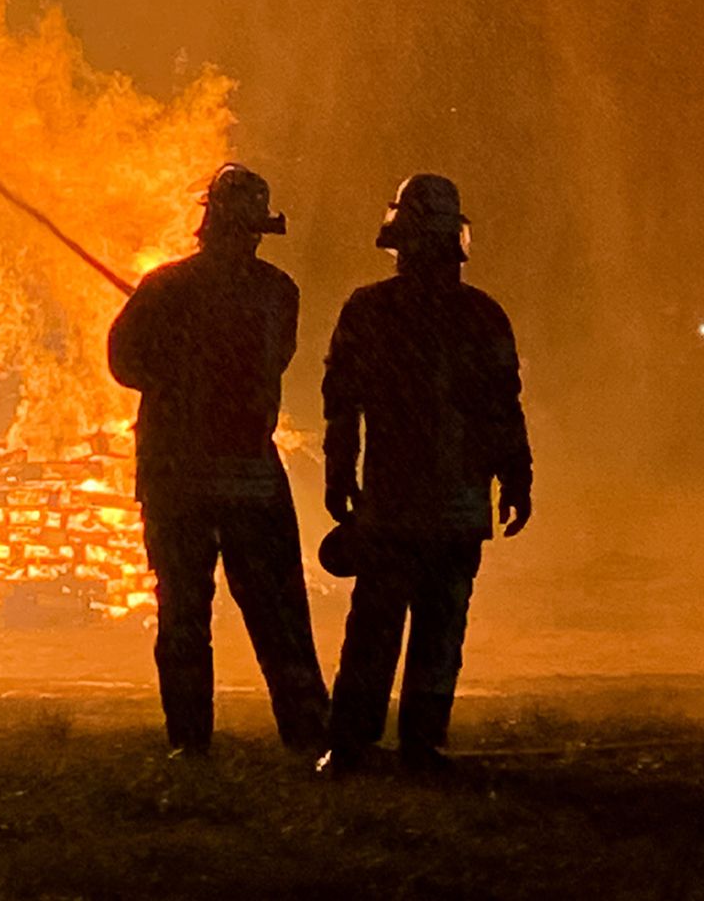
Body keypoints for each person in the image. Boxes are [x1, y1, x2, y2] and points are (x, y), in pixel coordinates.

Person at [108, 163, 330, 756]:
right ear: (256, 230)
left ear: (206, 222)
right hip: (251, 476)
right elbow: (273, 360)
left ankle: (191, 744)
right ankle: (309, 737)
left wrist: (176, 359)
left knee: (184, 614)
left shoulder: (164, 290)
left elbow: (125, 364)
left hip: (178, 477)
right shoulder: (278, 292)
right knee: (278, 613)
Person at [319, 173, 533, 774]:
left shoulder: (371, 310)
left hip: (400, 501)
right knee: (437, 627)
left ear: (400, 242)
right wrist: (516, 478)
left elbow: (342, 401)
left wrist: (340, 472)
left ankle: (355, 744)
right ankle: (417, 743)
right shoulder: (482, 315)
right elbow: (503, 408)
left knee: (379, 626)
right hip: (450, 501)